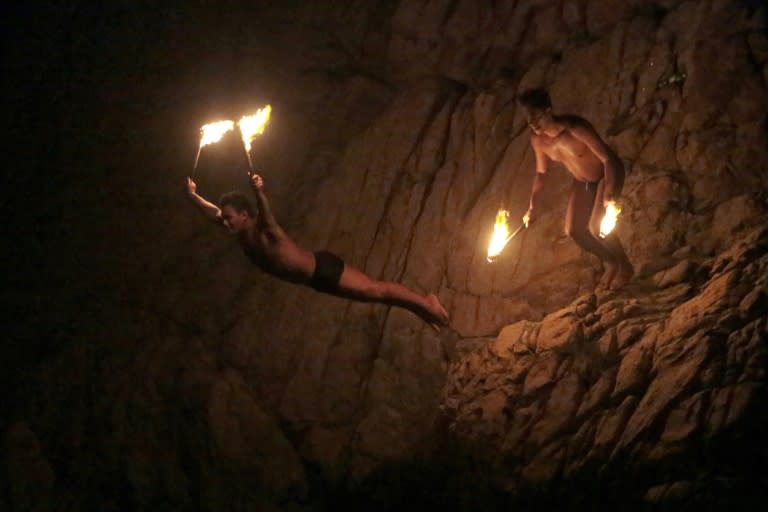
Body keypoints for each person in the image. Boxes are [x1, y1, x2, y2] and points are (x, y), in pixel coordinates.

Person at [185, 173, 450, 330]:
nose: (226, 222)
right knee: (375, 296)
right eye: (225, 219)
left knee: (376, 290)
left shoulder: (264, 230)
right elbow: (214, 214)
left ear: (244, 215)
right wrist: (194, 196)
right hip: (316, 280)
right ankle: (421, 309)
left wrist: (258, 190)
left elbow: (266, 212)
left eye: (230, 217)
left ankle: (427, 303)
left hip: (323, 269)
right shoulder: (239, 232)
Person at [518, 88, 633, 290]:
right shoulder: (538, 140)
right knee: (573, 230)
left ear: (548, 110)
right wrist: (532, 207)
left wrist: (609, 192)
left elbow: (606, 158)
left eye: (536, 116)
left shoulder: (575, 128)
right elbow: (541, 174)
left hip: (607, 173)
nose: (533, 123)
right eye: (529, 119)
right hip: (583, 182)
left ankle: (624, 268)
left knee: (597, 228)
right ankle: (610, 262)